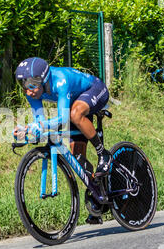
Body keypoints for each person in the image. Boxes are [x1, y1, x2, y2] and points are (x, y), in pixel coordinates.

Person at [13, 57, 112, 224]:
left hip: (95, 89)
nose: (28, 91)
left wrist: (40, 126)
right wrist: (27, 132)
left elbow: (63, 119)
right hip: (75, 100)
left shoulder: (60, 80)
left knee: (74, 115)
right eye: (24, 85)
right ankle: (98, 193)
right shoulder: (32, 93)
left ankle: (104, 154)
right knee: (77, 160)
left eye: (32, 85)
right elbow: (40, 122)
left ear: (43, 78)